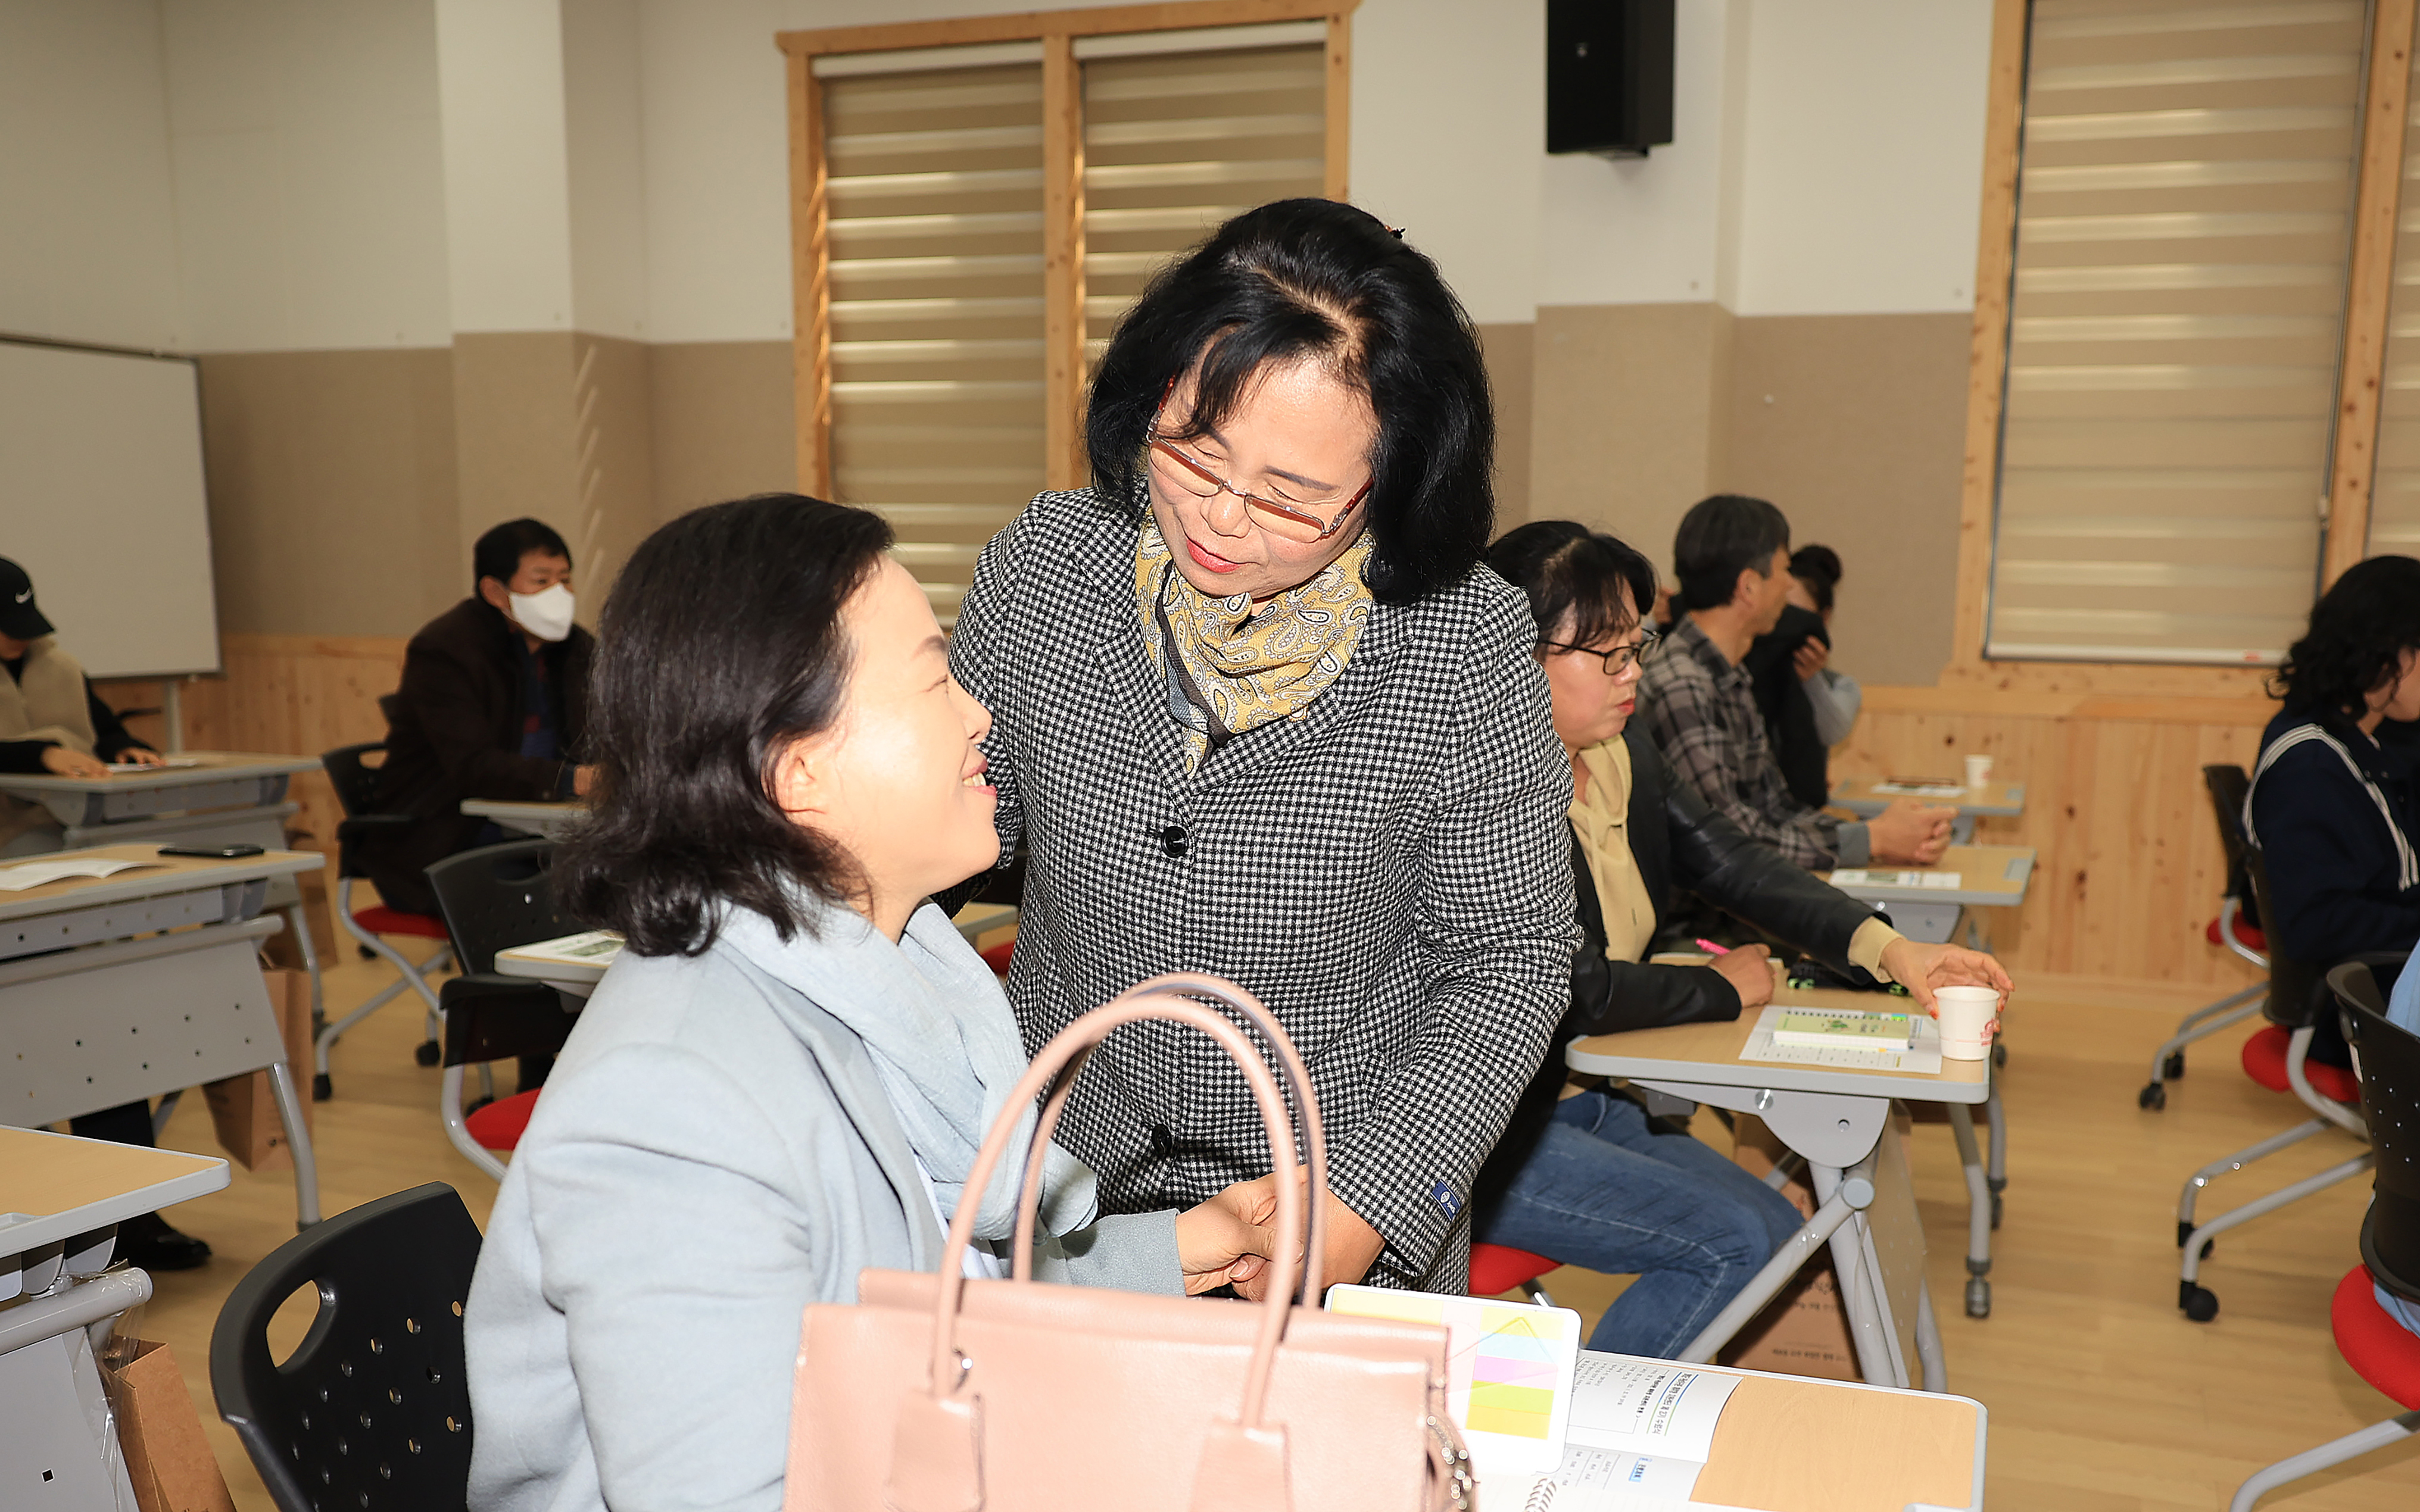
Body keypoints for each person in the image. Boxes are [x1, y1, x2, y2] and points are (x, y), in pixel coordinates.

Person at [465, 495, 1284, 1512]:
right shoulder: (672, 1106)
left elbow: (960, 1293)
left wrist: (1185, 1244)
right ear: (800, 772)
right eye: (937, 679)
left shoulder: (890, 977)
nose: (978, 712)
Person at [947, 199, 1576, 1294]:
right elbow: (949, 828)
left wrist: (1371, 1202)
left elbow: (1507, 958)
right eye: (1194, 450)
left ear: (1393, 488)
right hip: (1065, 1205)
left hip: (1323, 1199)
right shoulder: (1047, 567)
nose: (1221, 519)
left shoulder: (1460, 646)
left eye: (1292, 500)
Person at [1473, 521, 2009, 1356]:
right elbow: (1580, 992)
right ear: (1512, 659)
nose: (1634, 676)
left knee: (1769, 1231)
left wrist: (1891, 952)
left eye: (1636, 648)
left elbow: (1732, 863)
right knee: (1734, 1244)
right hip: (1483, 1131)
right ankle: (1573, 1452)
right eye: (1609, 657)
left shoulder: (1619, 751)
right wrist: (1730, 987)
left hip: (1580, 1103)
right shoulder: (1483, 795)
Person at [0, 557, 214, 1269]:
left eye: (23, 629)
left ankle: (130, 1216)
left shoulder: (57, 663)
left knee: (103, 1029)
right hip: (11, 883)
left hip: (69, 871)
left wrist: (120, 744)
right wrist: (39, 752)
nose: (16, 642)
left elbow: (104, 723)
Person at [1640, 496, 1949, 871]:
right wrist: (1876, 839)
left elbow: (1777, 810)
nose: (1789, 586)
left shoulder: (1728, 677)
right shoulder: (1682, 685)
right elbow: (1730, 840)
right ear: (1749, 587)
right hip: (1704, 923)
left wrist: (1879, 832)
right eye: (1783, 570)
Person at [363, 518, 596, 918]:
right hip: (447, 837)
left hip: (546, 828)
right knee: (565, 899)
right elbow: (473, 766)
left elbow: (605, 732)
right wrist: (573, 779)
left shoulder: (577, 647)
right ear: (494, 591)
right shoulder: (445, 651)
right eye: (541, 581)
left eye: (565, 580)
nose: (558, 594)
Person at [2246, 554, 2420, 985]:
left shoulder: (2353, 736)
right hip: (2362, 1007)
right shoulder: (2312, 769)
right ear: (2389, 656)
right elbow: (2320, 924)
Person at [1741, 544, 1859, 809]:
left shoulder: (1841, 685)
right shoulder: (1743, 669)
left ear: (1823, 618)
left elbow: (1832, 732)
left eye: (1796, 616)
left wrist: (1810, 680)